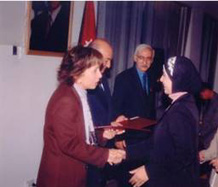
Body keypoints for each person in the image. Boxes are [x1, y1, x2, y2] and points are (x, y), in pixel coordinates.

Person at [36, 46, 126, 187]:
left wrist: (102, 135)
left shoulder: (77, 93)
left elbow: (81, 133)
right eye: (95, 70)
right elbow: (69, 144)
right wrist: (106, 155)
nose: (100, 75)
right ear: (78, 72)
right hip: (62, 178)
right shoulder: (66, 100)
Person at [128, 56, 201, 187]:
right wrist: (127, 152)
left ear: (178, 80)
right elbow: (159, 143)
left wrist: (149, 171)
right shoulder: (179, 104)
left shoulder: (181, 111)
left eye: (165, 76)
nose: (160, 79)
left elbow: (184, 156)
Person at [87, 39, 127, 186]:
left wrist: (115, 121)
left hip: (103, 148)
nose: (109, 65)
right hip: (91, 152)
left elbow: (106, 110)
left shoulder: (102, 80)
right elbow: (87, 121)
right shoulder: (85, 83)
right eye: (107, 60)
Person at [112, 44, 156, 146]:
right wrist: (119, 137)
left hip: (147, 137)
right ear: (135, 58)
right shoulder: (123, 78)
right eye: (141, 58)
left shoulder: (152, 78)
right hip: (129, 137)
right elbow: (116, 109)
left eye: (148, 58)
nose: (145, 62)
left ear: (152, 60)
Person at [197, 82, 218, 178]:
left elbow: (215, 124)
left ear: (207, 91)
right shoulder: (208, 101)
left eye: (202, 93)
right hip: (205, 137)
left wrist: (200, 132)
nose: (201, 96)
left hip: (212, 138)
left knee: (209, 168)